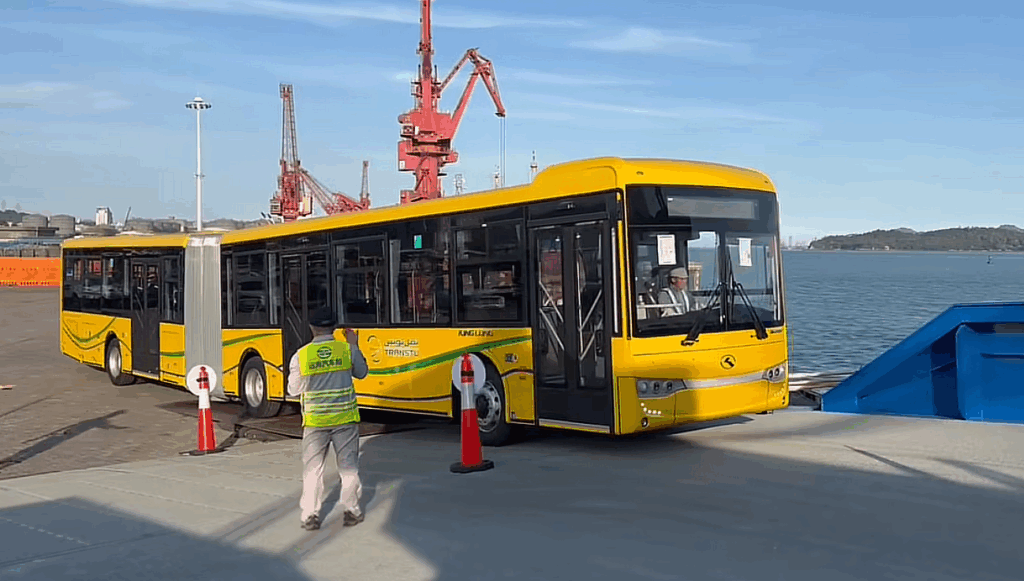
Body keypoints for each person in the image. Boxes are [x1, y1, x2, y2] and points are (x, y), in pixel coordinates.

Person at [287, 306, 368, 531]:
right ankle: (351, 511)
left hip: (316, 423)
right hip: (345, 420)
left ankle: (310, 515)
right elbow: (362, 373)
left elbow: (293, 390)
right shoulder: (346, 350)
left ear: (311, 328)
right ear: (334, 327)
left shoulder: (301, 355)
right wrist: (354, 344)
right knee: (348, 468)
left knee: (313, 470)